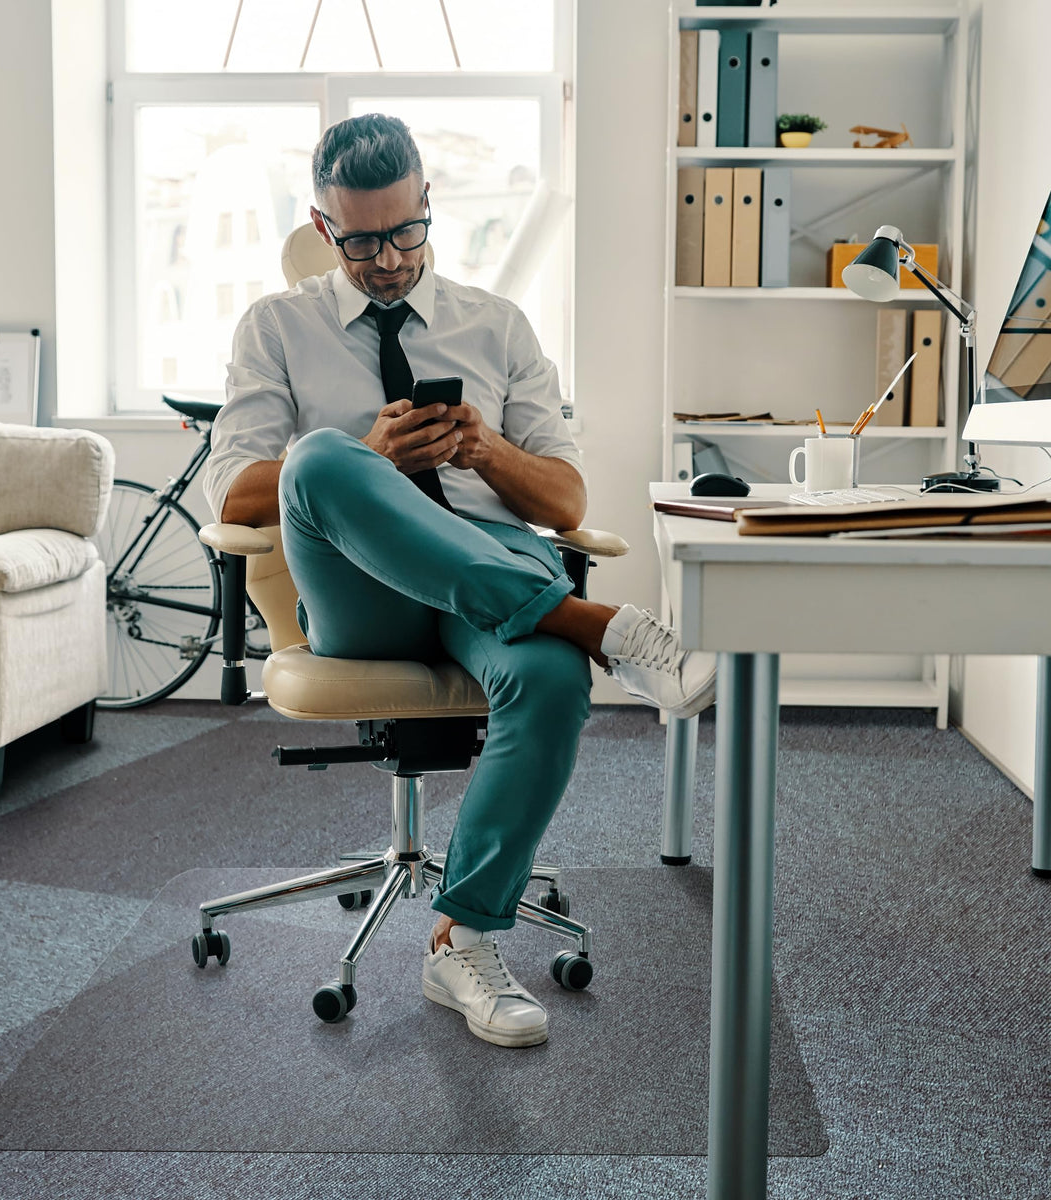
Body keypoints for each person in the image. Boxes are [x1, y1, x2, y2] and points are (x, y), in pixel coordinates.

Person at [204, 113, 716, 1049]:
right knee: (319, 459)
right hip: (366, 591)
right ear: (324, 229)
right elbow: (233, 492)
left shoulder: (499, 325)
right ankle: (599, 625)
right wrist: (366, 455)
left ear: (430, 206)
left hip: (492, 566)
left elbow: (565, 502)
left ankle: (465, 938)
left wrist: (488, 448)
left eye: (405, 231)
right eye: (360, 241)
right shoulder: (276, 327)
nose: (388, 259)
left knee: (551, 675)